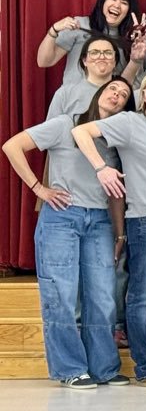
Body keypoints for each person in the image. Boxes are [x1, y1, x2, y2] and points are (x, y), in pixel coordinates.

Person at [3, 81, 132, 388]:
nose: (117, 95)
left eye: (124, 96)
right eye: (113, 89)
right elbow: (12, 145)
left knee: (102, 297)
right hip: (62, 218)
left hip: (100, 221)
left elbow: (116, 193)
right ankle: (70, 368)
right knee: (60, 295)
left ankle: (104, 367)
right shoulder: (66, 124)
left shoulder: (114, 140)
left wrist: (120, 234)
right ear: (99, 93)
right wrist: (39, 188)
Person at [72, 70, 146, 388]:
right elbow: (82, 132)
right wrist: (102, 168)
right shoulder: (128, 124)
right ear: (142, 96)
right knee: (143, 298)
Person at [39, 0, 144, 85]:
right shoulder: (79, 25)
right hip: (74, 99)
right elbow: (44, 61)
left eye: (124, 3)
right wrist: (53, 30)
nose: (117, 5)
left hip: (106, 100)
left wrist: (135, 56)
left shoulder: (129, 41)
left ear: (129, 11)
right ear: (102, 2)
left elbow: (127, 85)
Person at [48, 35, 120, 119]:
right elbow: (50, 130)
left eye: (108, 53)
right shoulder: (64, 94)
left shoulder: (123, 95)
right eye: (94, 52)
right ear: (84, 61)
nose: (101, 57)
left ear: (115, 61)